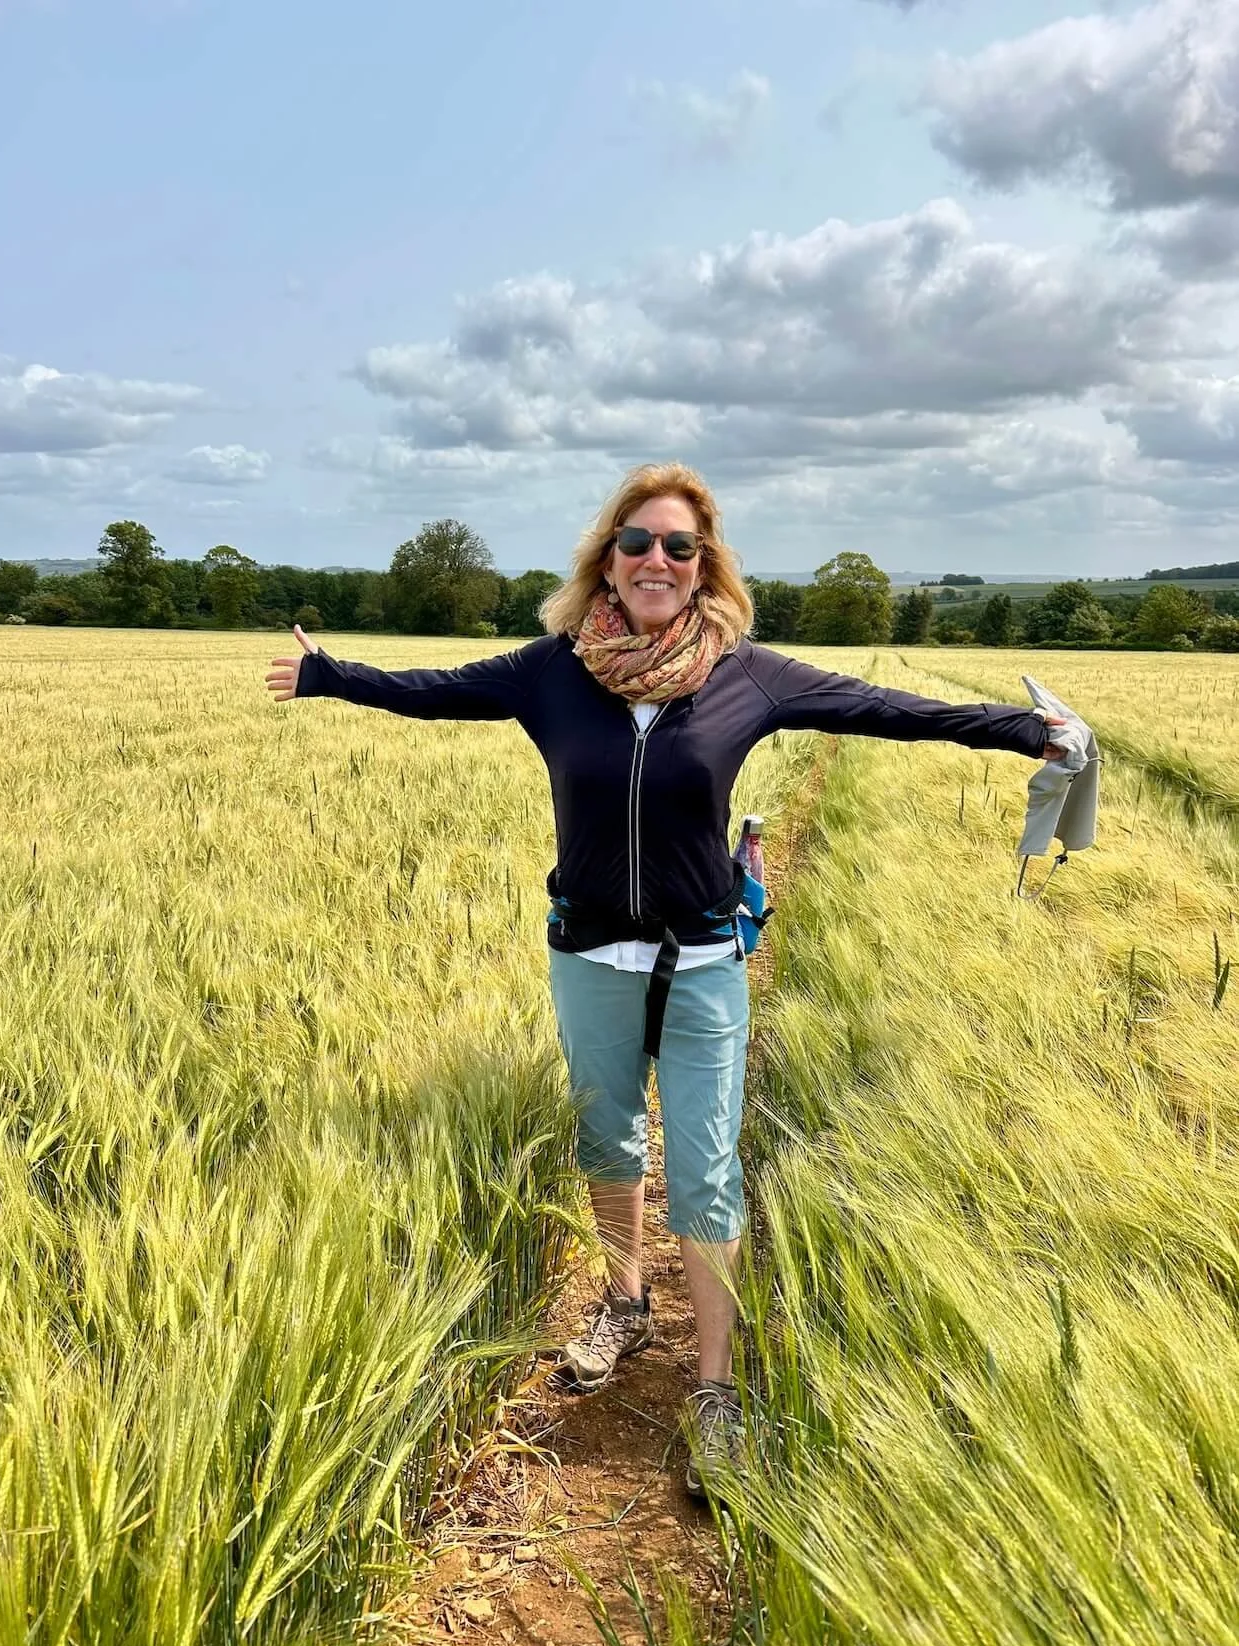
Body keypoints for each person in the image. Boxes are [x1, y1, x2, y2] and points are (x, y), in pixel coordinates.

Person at [265, 462, 1072, 1499]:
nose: (656, 559)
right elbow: (436, 692)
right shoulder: (552, 670)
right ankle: (623, 1300)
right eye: (638, 541)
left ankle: (716, 1387)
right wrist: (332, 674)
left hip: (700, 961)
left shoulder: (748, 675)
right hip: (591, 953)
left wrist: (1018, 731)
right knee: (609, 1138)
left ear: (705, 568)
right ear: (607, 558)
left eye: (679, 546)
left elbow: (882, 708)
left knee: (704, 1168)